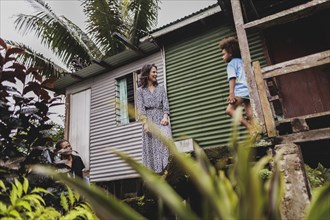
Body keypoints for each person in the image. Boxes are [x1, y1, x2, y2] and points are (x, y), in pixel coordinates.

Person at [136, 64, 171, 174]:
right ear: (147, 73)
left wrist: (165, 117)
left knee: (165, 144)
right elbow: (141, 108)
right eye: (153, 72)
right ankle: (154, 176)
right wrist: (145, 124)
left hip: (161, 120)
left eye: (156, 72)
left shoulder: (161, 88)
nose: (156, 74)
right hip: (149, 121)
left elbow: (166, 105)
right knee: (151, 148)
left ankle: (167, 171)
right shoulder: (140, 91)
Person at [219, 37, 254, 131]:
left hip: (241, 90)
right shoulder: (242, 61)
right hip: (249, 89)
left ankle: (250, 129)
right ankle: (257, 132)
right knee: (249, 112)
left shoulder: (231, 64)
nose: (222, 57)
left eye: (223, 54)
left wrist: (231, 93)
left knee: (229, 110)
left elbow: (232, 78)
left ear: (230, 53)